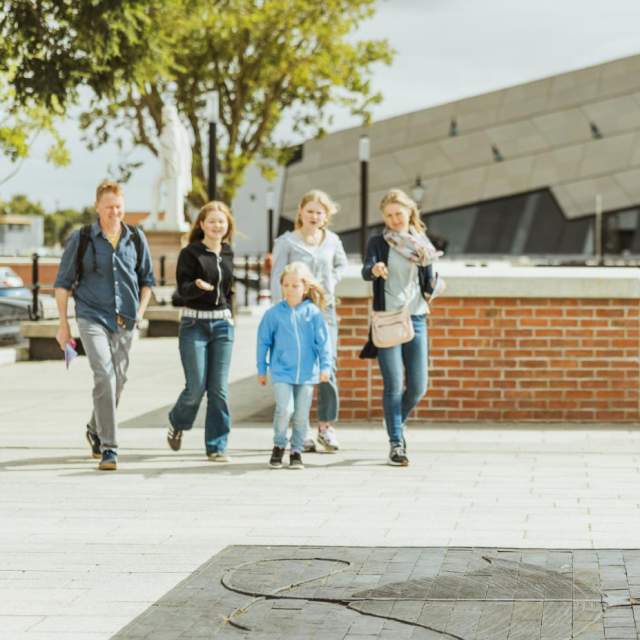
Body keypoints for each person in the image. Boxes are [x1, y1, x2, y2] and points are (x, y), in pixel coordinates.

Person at [54, 180, 155, 471]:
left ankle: (94, 428)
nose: (115, 212)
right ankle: (110, 448)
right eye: (109, 207)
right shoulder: (82, 238)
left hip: (125, 319)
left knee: (119, 379)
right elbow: (62, 285)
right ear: (97, 207)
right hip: (91, 315)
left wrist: (140, 312)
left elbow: (147, 280)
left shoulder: (135, 237)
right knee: (104, 374)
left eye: (119, 207)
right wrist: (64, 326)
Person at [360, 188, 441, 467]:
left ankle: (394, 420)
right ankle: (396, 443)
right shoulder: (378, 241)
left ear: (410, 212)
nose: (395, 219)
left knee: (418, 386)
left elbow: (430, 277)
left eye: (399, 213)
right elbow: (366, 268)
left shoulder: (421, 243)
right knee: (394, 385)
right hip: (388, 319)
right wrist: (375, 270)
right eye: (389, 215)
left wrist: (434, 286)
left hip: (417, 316)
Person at [270, 190, 347, 453]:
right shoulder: (286, 242)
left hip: (325, 311)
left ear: (326, 216)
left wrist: (329, 282)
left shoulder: (333, 241)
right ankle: (297, 430)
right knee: (298, 369)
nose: (314, 216)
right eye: (310, 211)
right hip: (296, 313)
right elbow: (276, 279)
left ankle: (326, 426)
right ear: (300, 212)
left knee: (329, 366)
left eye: (319, 212)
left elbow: (341, 266)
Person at [166, 201, 236, 461]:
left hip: (222, 326)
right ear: (202, 224)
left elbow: (229, 292)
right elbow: (181, 291)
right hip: (194, 324)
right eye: (212, 221)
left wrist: (232, 318)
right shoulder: (191, 253)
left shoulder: (228, 253)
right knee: (195, 388)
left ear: (227, 225)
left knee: (218, 389)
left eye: (222, 221)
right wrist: (196, 286)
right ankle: (177, 421)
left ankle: (217, 446)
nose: (217, 225)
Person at [258, 262, 332, 470]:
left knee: (301, 415)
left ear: (305, 287)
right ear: (281, 286)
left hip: (307, 374)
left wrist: (325, 367)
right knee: (285, 409)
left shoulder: (313, 313)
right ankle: (279, 445)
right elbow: (263, 342)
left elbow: (323, 343)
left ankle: (296, 451)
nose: (290, 289)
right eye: (286, 285)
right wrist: (262, 369)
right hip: (281, 372)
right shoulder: (273, 314)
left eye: (295, 285)